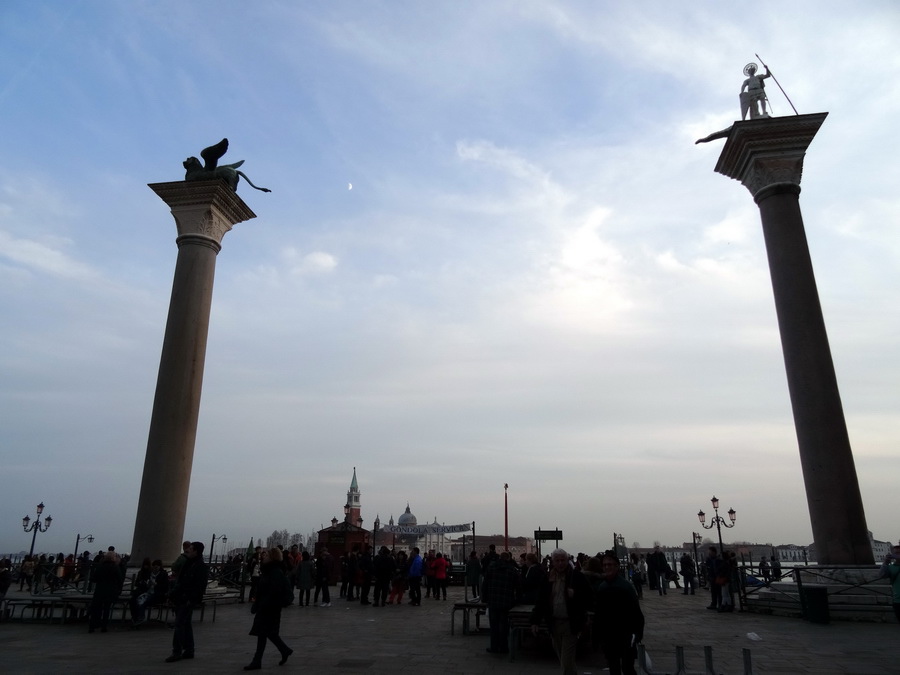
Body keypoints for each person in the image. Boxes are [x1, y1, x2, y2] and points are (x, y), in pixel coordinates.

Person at [530, 548, 593, 675]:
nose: (560, 563)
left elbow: (590, 598)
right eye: (557, 560)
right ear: (553, 562)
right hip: (554, 623)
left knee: (566, 659)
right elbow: (541, 600)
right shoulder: (548, 577)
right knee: (563, 658)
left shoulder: (577, 577)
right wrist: (535, 621)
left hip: (570, 623)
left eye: (563, 560)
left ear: (567, 560)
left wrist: (576, 594)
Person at [243, 547, 293, 670]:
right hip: (267, 607)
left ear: (272, 557)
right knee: (268, 633)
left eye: (266, 555)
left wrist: (262, 603)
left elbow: (273, 591)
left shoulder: (275, 572)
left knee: (264, 633)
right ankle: (284, 650)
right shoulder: (270, 570)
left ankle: (257, 660)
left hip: (269, 608)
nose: (263, 557)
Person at [594, 554, 644, 675]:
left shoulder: (626, 587)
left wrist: (636, 634)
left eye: (610, 564)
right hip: (609, 635)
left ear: (617, 566)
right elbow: (599, 614)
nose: (607, 567)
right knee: (613, 667)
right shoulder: (602, 587)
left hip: (625, 634)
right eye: (605, 565)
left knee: (628, 668)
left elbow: (636, 613)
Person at [165, 541, 208, 662]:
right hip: (181, 598)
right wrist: (172, 594)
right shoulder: (188, 563)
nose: (187, 550)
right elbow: (181, 581)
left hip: (188, 599)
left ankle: (177, 651)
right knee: (186, 624)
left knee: (179, 624)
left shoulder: (200, 566)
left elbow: (200, 585)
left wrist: (192, 599)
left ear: (196, 551)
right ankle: (189, 650)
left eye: (191, 548)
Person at [482, 551, 520, 655]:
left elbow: (485, 584)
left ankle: (494, 647)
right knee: (504, 625)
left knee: (494, 625)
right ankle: (504, 647)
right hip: (506, 601)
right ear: (508, 559)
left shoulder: (491, 568)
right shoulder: (512, 570)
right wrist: (517, 599)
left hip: (493, 600)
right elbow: (518, 586)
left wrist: (484, 598)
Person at [88, 551, 123, 633]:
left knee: (96, 609)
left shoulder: (100, 566)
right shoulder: (115, 567)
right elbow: (120, 580)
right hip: (111, 591)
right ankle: (104, 626)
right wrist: (118, 590)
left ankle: (92, 626)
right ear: (114, 558)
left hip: (99, 590)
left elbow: (94, 578)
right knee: (107, 609)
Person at [880, 544, 900, 624]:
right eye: (896, 553)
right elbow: (882, 575)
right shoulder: (891, 567)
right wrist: (885, 563)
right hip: (898, 601)